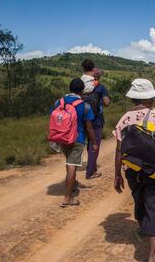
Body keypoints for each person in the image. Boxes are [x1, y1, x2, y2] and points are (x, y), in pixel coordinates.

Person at [113, 78, 155, 262]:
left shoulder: (125, 119)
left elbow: (119, 149)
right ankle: (152, 255)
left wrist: (117, 174)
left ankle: (143, 227)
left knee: (139, 199)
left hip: (133, 169)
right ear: (150, 98)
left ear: (134, 99)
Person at [52, 78, 98, 207]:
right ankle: (68, 198)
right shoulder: (85, 106)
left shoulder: (58, 102)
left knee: (69, 162)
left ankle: (71, 185)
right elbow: (89, 127)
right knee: (72, 165)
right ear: (82, 90)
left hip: (61, 138)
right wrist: (93, 142)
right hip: (77, 139)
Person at [86, 68, 111, 179]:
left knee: (89, 143)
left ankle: (91, 166)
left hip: (82, 119)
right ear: (99, 77)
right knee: (94, 145)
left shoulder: (84, 87)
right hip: (96, 120)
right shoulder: (100, 87)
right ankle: (91, 172)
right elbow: (106, 103)